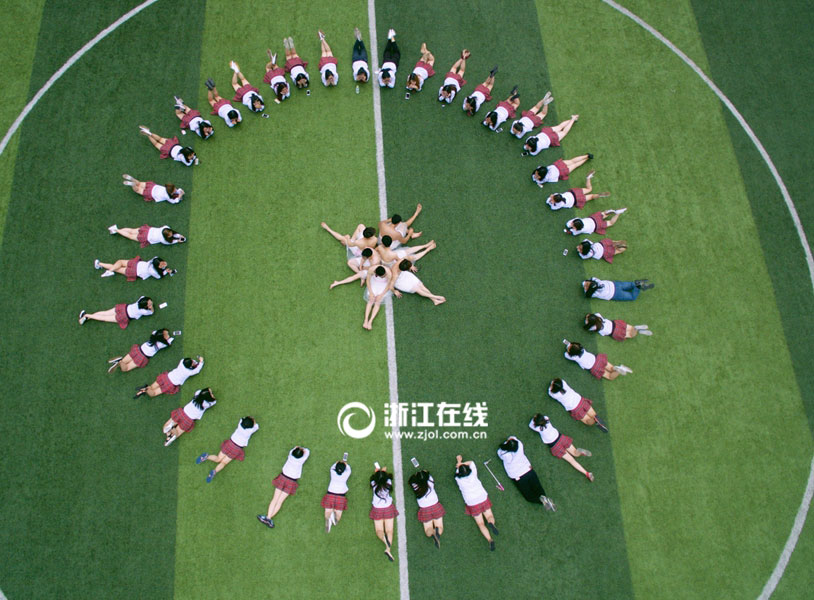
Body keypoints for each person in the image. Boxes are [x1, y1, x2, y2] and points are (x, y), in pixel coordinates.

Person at [496, 437, 556, 511]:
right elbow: (513, 437)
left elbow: (500, 451)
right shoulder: (520, 445)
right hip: (529, 471)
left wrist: (506, 443)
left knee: (529, 497)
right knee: (538, 488)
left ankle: (541, 501)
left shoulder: (504, 454)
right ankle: (543, 498)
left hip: (519, 477)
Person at [258, 446, 311, 529]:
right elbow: (307, 451)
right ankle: (268, 518)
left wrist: (298, 448)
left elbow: (295, 448)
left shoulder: (290, 455)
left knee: (275, 499)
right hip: (291, 481)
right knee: (279, 501)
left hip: (283, 477)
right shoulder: (301, 460)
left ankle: (268, 518)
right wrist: (302, 450)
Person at [529, 414, 594, 481]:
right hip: (561, 438)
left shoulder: (538, 428)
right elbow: (544, 416)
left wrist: (534, 420)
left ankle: (587, 473)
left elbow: (530, 425)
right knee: (575, 453)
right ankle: (579, 451)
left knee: (572, 460)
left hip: (555, 445)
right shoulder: (547, 419)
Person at [454, 455, 498, 551]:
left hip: (472, 502)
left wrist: (459, 462)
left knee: (480, 523)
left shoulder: (458, 479)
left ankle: (490, 540)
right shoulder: (473, 473)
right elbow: (471, 462)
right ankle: (491, 523)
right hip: (482, 497)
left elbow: (457, 467)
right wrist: (461, 462)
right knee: (489, 515)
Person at [196, 416, 259, 483]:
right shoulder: (250, 430)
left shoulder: (240, 423)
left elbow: (243, 418)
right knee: (224, 462)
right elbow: (256, 426)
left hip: (230, 443)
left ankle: (206, 457)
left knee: (218, 458)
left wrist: (250, 418)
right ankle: (214, 471)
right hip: (237, 448)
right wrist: (253, 421)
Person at [134, 356, 204, 399]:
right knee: (154, 393)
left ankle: (143, 390)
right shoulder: (189, 372)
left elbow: (190, 363)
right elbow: (197, 370)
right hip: (170, 384)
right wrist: (201, 362)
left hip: (165, 377)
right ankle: (145, 390)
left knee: (152, 387)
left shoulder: (182, 361)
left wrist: (193, 363)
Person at [107, 328, 174, 373]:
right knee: (125, 369)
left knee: (125, 362)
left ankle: (119, 361)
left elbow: (154, 331)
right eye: (166, 335)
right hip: (142, 357)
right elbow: (170, 341)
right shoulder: (161, 344)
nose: (168, 335)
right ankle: (120, 361)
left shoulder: (153, 335)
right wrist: (169, 339)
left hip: (137, 350)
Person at [408, 469, 444, 548]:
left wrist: (417, 474)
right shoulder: (430, 481)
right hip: (435, 506)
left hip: (425, 509)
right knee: (440, 527)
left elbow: (411, 479)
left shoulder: (415, 485)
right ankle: (436, 532)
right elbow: (427, 472)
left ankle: (433, 533)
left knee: (428, 530)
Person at [563, 340, 632, 380]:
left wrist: (568, 348)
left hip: (594, 367)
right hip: (598, 359)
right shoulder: (582, 349)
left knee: (609, 376)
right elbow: (574, 347)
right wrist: (570, 345)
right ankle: (618, 368)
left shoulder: (574, 357)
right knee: (611, 368)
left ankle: (618, 371)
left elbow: (566, 355)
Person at [369, 467, 398, 561]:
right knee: (389, 530)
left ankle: (386, 542)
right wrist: (383, 471)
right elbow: (385, 476)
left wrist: (377, 471)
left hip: (377, 509)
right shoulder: (388, 483)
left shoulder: (373, 484)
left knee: (379, 530)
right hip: (388, 507)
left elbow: (374, 478)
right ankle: (388, 549)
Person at [78, 295, 153, 328]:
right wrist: (151, 307)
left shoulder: (140, 301)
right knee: (104, 318)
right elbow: (151, 312)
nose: (151, 302)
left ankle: (87, 317)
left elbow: (143, 296)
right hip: (124, 315)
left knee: (105, 313)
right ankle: (86, 315)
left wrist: (147, 304)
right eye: (149, 303)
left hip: (123, 308)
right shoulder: (144, 311)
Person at [322, 459, 351, 532]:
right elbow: (349, 468)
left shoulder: (332, 472)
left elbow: (332, 467)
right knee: (338, 516)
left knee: (327, 512)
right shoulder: (346, 474)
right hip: (340, 496)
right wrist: (345, 463)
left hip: (330, 494)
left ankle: (329, 518)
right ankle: (333, 519)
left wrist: (337, 462)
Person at [363, 265, 396, 330]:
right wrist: (371, 292)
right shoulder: (371, 269)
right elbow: (368, 281)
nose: (384, 276)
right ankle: (366, 320)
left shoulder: (388, 273)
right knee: (371, 300)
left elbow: (388, 285)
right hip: (374, 283)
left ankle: (370, 321)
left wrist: (381, 295)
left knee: (378, 302)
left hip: (383, 286)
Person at [93, 255, 175, 281]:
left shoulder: (154, 260)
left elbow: (156, 258)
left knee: (118, 264)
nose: (164, 264)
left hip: (136, 264)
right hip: (135, 270)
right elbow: (158, 277)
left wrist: (164, 268)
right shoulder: (153, 271)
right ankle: (104, 268)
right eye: (161, 264)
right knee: (118, 266)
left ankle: (100, 265)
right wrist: (164, 271)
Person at [584, 312, 651, 340]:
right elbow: (590, 314)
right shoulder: (598, 316)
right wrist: (589, 316)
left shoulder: (594, 327)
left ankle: (638, 332)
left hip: (614, 332)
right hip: (615, 324)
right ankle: (636, 328)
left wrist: (587, 321)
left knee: (630, 335)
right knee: (630, 328)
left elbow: (586, 324)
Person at [107, 224, 186, 247]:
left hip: (147, 230)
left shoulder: (165, 228)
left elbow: (172, 233)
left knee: (131, 230)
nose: (171, 234)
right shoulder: (163, 240)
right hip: (146, 236)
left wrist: (179, 235)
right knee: (130, 235)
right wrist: (177, 240)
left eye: (170, 233)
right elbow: (171, 242)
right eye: (169, 234)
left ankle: (116, 230)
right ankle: (116, 230)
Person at [582, 277, 654, 301]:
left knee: (632, 297)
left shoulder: (594, 293)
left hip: (615, 294)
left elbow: (587, 294)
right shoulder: (596, 280)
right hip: (615, 284)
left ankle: (638, 287)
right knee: (631, 284)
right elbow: (590, 279)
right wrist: (588, 283)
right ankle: (637, 284)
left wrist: (586, 287)